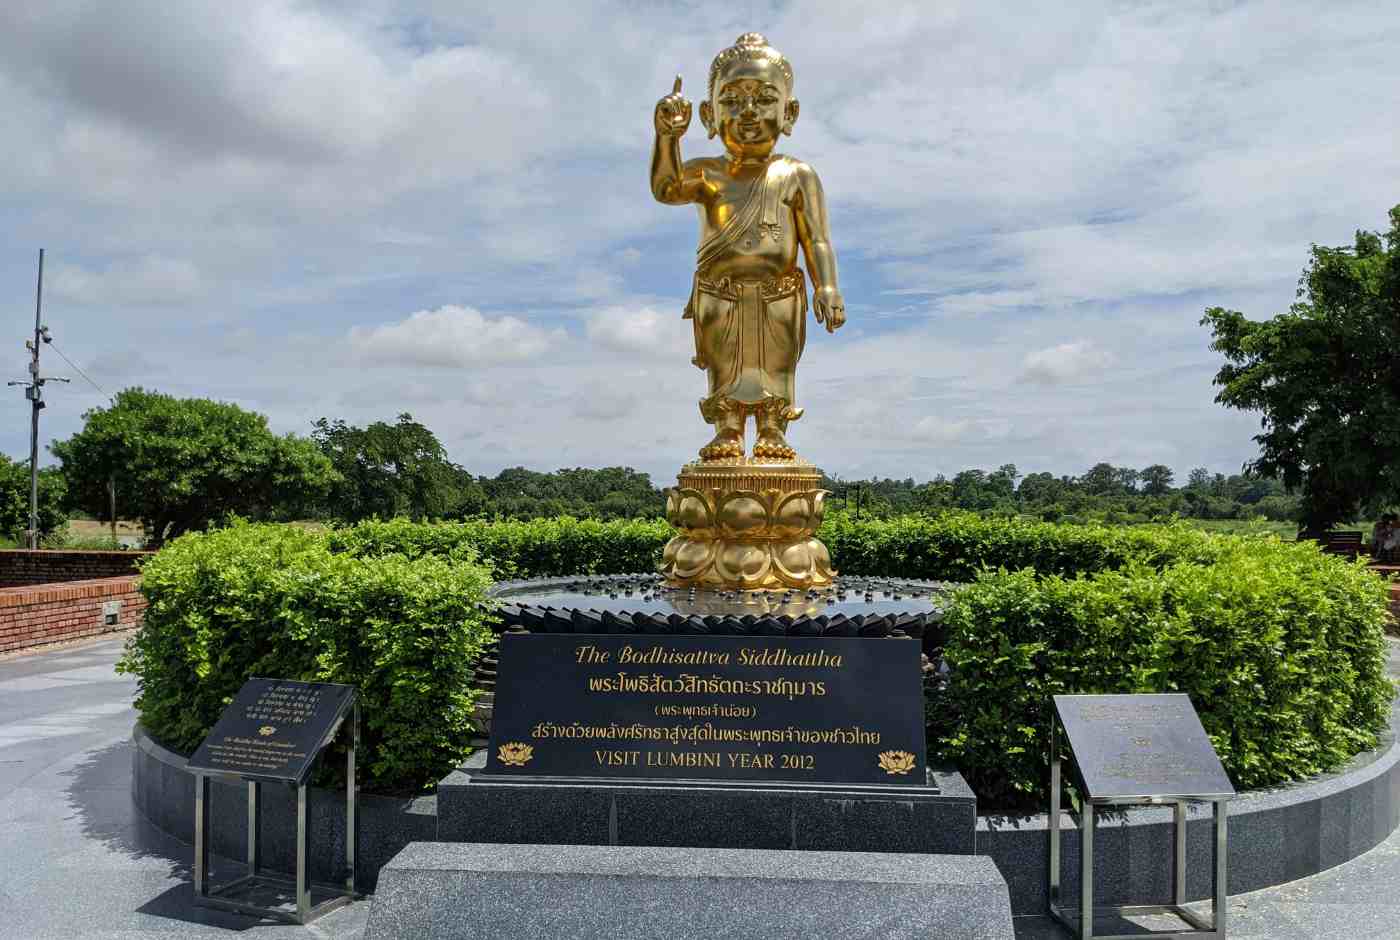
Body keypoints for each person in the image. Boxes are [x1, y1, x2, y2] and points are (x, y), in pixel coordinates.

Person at [650, 33, 845, 461]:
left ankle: (773, 426)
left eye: (764, 100)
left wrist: (826, 286)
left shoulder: (797, 174)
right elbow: (665, 188)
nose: (749, 113)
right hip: (719, 293)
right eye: (733, 101)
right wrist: (668, 137)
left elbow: (816, 238)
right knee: (724, 364)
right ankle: (728, 427)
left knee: (777, 365)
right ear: (709, 114)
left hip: (780, 293)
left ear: (789, 112)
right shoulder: (707, 174)